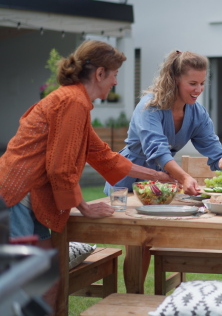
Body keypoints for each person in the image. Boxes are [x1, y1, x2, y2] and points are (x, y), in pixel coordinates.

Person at [0, 40, 173, 305]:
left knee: (46, 283)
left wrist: (159, 176)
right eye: (114, 75)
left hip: (28, 198)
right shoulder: (73, 102)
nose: (116, 82)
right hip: (16, 198)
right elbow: (61, 168)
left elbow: (102, 155)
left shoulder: (75, 101)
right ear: (100, 73)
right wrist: (85, 207)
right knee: (24, 290)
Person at [104, 50, 222, 196]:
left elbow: (216, 152)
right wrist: (184, 177)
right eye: (193, 83)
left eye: (202, 83)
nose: (199, 90)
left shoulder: (198, 114)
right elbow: (157, 150)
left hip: (162, 184)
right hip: (126, 182)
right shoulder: (150, 107)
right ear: (175, 80)